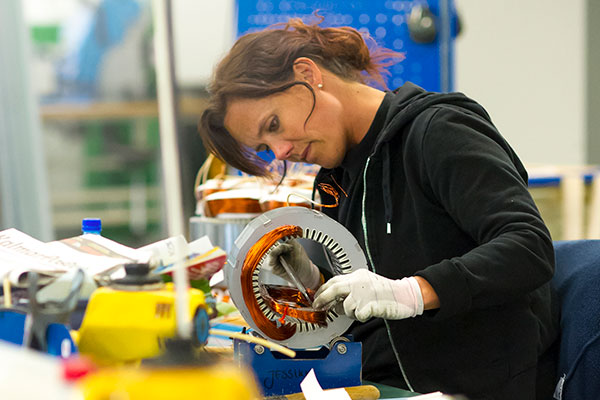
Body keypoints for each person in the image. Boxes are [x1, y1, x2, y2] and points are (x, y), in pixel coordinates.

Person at [199, 17, 559, 400]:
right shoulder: (337, 178)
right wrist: (313, 283)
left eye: (274, 124)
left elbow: (529, 247)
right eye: (267, 148)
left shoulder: (438, 131)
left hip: (475, 387)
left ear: (307, 73)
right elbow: (369, 298)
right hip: (380, 386)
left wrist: (413, 293)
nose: (282, 151)